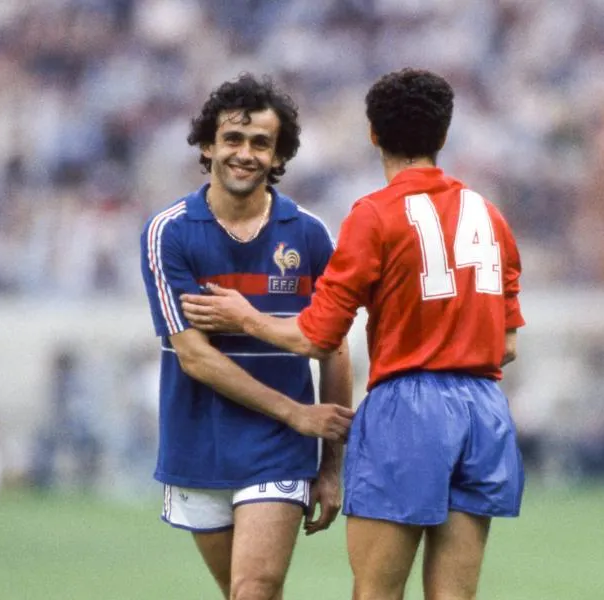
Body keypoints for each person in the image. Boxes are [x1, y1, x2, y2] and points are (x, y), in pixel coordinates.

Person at [182, 68, 526, 600]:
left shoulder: (375, 214)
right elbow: (506, 345)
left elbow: (319, 338)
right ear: (443, 134)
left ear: (373, 133)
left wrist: (243, 317)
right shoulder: (489, 215)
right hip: (484, 412)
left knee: (377, 592)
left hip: (408, 406)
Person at [139, 73, 354, 600]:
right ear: (208, 146)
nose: (245, 153)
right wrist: (296, 412)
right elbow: (195, 358)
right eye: (233, 139)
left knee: (254, 588)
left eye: (262, 143)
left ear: (279, 157)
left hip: (278, 447)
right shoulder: (170, 232)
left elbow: (334, 347)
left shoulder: (308, 235)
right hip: (198, 446)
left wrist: (329, 464)